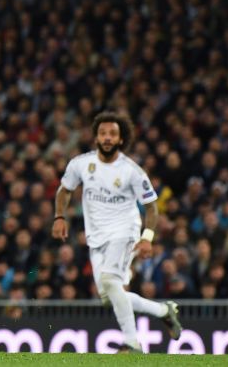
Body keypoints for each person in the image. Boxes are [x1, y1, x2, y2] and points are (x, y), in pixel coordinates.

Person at [52, 112, 182, 353]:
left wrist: (147, 237)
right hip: (97, 237)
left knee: (112, 281)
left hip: (125, 232)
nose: (107, 138)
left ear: (121, 139)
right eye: (103, 133)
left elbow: (152, 206)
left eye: (112, 134)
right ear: (96, 138)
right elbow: (64, 190)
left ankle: (132, 344)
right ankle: (164, 311)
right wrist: (59, 216)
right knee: (109, 296)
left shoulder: (132, 171)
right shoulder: (81, 164)